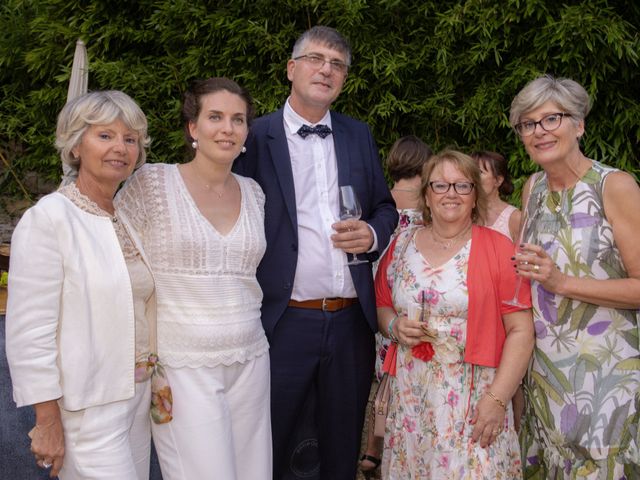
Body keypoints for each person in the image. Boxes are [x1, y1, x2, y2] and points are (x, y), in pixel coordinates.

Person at [233, 25, 398, 479]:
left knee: (341, 445)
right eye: (316, 59)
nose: (326, 69)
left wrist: (371, 232)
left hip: (350, 324)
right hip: (282, 320)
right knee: (271, 441)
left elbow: (386, 207)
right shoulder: (252, 136)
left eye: (338, 64)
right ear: (291, 68)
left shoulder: (357, 134)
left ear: (344, 79)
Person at [115, 77, 271, 479]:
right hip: (182, 366)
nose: (227, 128)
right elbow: (117, 268)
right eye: (215, 116)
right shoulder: (152, 183)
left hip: (251, 358)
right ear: (192, 128)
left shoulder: (255, 193)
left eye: (238, 120)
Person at [6, 90, 155, 479]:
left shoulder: (126, 217)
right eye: (105, 135)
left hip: (137, 400)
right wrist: (47, 421)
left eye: (130, 138)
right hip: (86, 410)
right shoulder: (50, 219)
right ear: (75, 146)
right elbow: (28, 333)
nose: (120, 147)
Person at [375, 150, 534, 478]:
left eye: (462, 186)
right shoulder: (401, 245)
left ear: (476, 196)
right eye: (440, 185)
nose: (451, 194)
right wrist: (394, 325)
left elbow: (521, 330)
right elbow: (382, 304)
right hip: (412, 400)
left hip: (474, 402)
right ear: (426, 196)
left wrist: (497, 399)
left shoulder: (500, 249)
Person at [511, 75, 640, 479]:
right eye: (528, 124)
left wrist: (562, 282)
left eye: (552, 119)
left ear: (579, 124)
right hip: (547, 377)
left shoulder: (613, 186)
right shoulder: (531, 189)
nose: (540, 132)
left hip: (607, 378)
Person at [359, 135, 432, 478]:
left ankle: (373, 450)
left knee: (383, 375)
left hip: (375, 295)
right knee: (404, 375)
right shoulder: (430, 204)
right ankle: (399, 446)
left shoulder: (378, 201)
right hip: (411, 296)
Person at [470, 151, 521, 241]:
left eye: (479, 172)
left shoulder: (515, 219)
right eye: (470, 172)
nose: (472, 178)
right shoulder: (465, 215)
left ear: (498, 180)